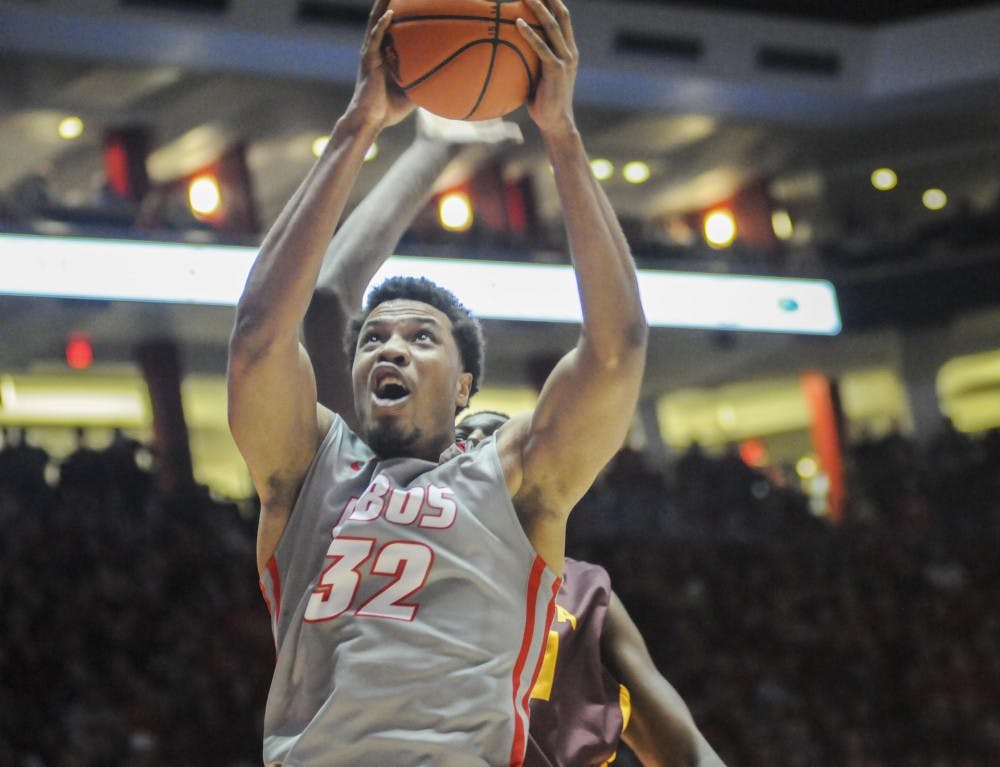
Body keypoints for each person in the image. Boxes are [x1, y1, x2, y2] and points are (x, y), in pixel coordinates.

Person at [226, 0, 648, 764]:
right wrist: (359, 123)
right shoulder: (308, 474)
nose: (389, 347)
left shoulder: (515, 479)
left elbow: (616, 351)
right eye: (375, 338)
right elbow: (261, 338)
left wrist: (562, 137)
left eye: (421, 337)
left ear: (464, 387)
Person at [303, 106, 724, 767]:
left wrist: (562, 138)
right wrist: (431, 149)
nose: (480, 451)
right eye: (467, 446)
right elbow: (325, 304)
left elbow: (689, 754)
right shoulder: (376, 519)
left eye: (496, 444)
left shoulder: (584, 601)